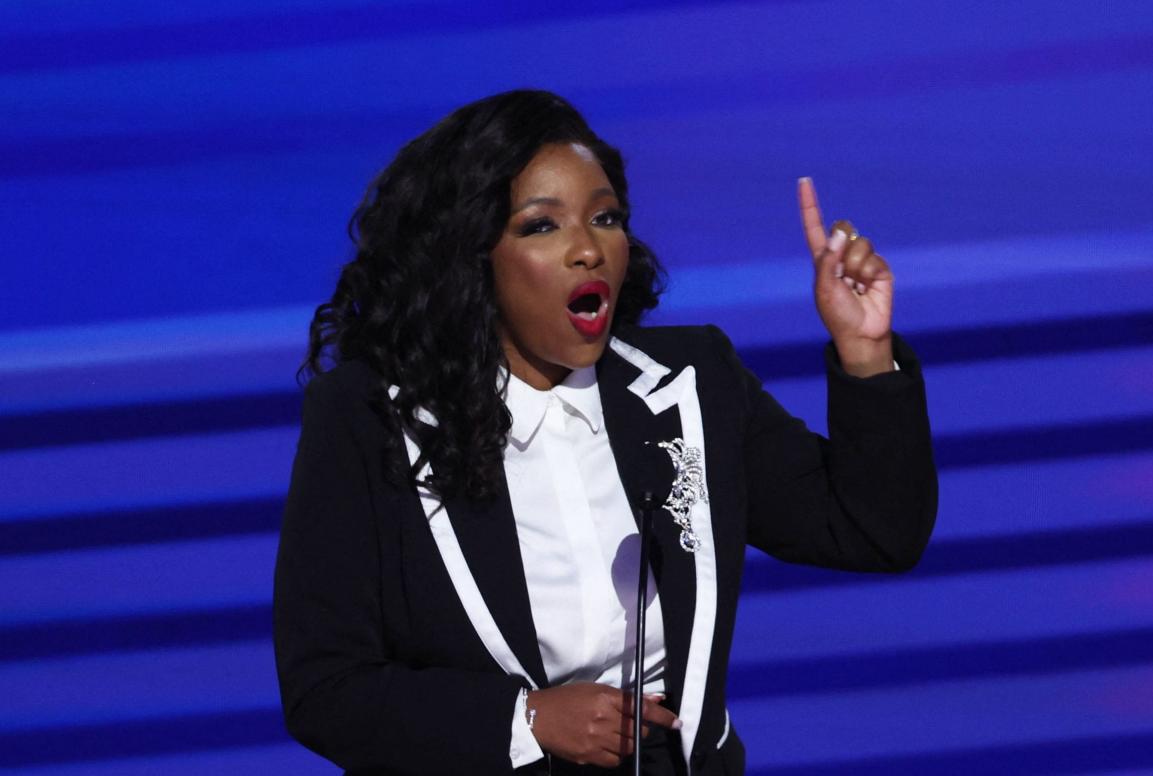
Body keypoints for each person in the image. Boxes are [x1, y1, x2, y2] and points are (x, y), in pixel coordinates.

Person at [273, 89, 937, 776]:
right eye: (541, 227)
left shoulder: (690, 383)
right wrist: (526, 720)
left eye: (606, 218)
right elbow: (326, 688)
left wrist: (865, 353)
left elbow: (873, 531)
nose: (587, 250)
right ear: (473, 257)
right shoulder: (371, 415)